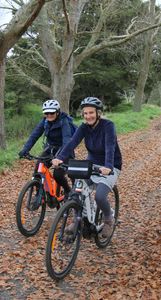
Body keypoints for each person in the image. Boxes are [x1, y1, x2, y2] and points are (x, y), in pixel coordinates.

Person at [52, 96, 122, 238]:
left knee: (100, 197)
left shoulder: (108, 126)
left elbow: (110, 147)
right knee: (77, 189)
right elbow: (72, 142)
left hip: (110, 165)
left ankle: (108, 219)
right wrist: (59, 158)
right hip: (91, 163)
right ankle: (76, 218)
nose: (88, 116)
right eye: (85, 113)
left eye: (91, 113)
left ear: (98, 113)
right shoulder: (84, 127)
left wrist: (108, 166)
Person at [19, 99, 74, 197]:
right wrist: (25, 149)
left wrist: (61, 157)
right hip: (50, 150)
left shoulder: (64, 121)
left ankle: (67, 189)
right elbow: (34, 135)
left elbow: (67, 140)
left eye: (51, 112)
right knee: (38, 171)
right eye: (46, 113)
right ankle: (38, 195)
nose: (49, 115)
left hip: (64, 151)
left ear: (57, 112)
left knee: (58, 175)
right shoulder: (45, 121)